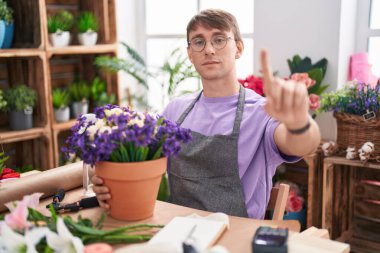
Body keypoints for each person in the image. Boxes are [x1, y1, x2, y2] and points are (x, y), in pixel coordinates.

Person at [92, 9, 321, 219]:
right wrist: (108, 181)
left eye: (219, 39)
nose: (209, 49)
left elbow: (301, 145)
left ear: (238, 48)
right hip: (177, 230)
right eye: (199, 42)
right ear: (190, 54)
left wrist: (299, 123)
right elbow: (138, 163)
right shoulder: (175, 110)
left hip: (236, 238)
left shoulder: (261, 112)